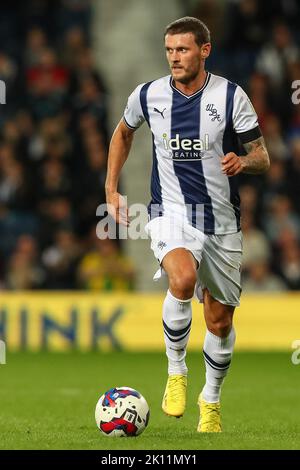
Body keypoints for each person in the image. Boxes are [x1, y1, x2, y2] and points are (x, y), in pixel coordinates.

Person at [105, 17, 270, 432]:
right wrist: (110, 189)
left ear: (204, 50)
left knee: (219, 321)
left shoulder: (231, 96)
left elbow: (262, 156)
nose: (174, 58)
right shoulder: (148, 95)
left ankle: (210, 400)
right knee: (181, 279)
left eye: (182, 49)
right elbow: (123, 133)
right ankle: (176, 372)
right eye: (169, 50)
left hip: (222, 222)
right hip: (173, 212)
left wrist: (243, 161)